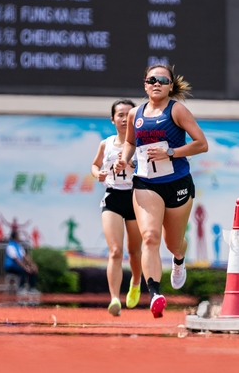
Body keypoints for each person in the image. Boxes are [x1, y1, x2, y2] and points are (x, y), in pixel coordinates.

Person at [115, 64, 208, 318]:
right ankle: (155, 293)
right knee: (150, 237)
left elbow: (202, 144)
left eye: (163, 80)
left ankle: (179, 260)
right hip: (146, 183)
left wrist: (171, 152)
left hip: (177, 183)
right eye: (152, 79)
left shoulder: (177, 110)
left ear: (170, 86)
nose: (157, 83)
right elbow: (130, 142)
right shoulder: (136, 114)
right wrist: (124, 159)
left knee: (173, 243)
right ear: (145, 84)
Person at [91, 99, 143, 316]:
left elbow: (151, 168)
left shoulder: (140, 144)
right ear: (113, 119)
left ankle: (136, 283)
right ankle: (114, 298)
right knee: (115, 250)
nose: (124, 118)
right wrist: (98, 174)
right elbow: (95, 165)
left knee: (134, 251)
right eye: (120, 114)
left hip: (135, 198)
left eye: (128, 114)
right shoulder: (107, 143)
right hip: (113, 197)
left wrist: (134, 164)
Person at [4, 229, 40, 296]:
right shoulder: (10, 246)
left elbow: (25, 256)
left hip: (18, 266)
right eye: (18, 236)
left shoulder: (19, 246)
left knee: (32, 270)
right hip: (10, 267)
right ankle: (21, 289)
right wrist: (25, 267)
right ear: (15, 237)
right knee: (23, 270)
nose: (19, 237)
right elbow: (16, 259)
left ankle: (31, 289)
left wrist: (32, 265)